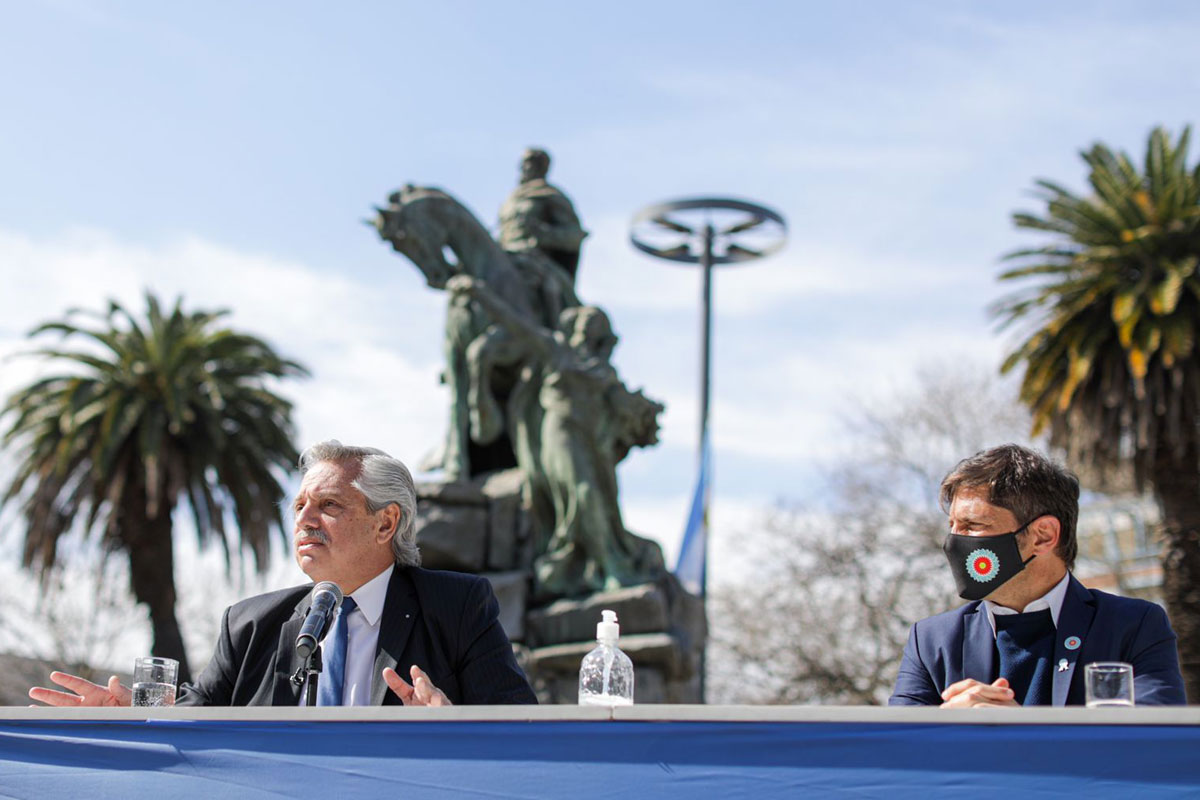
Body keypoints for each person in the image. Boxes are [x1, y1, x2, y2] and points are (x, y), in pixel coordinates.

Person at [30, 441, 537, 707]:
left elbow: (523, 733)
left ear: (386, 523)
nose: (304, 520)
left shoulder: (458, 606)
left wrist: (455, 726)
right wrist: (132, 719)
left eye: (329, 504)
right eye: (298, 506)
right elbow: (194, 719)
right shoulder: (249, 625)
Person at [890, 444, 1186, 707]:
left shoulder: (1133, 626)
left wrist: (1025, 736)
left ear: (1043, 536)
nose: (954, 541)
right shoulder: (931, 641)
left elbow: (1152, 749)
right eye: (952, 525)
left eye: (972, 525)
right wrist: (946, 729)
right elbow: (897, 752)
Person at [498, 148, 587, 281]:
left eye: (527, 162)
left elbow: (573, 235)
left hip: (535, 261)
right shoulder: (511, 200)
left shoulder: (550, 196)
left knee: (544, 286)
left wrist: (544, 234)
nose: (522, 167)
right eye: (522, 163)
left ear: (541, 167)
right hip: (505, 255)